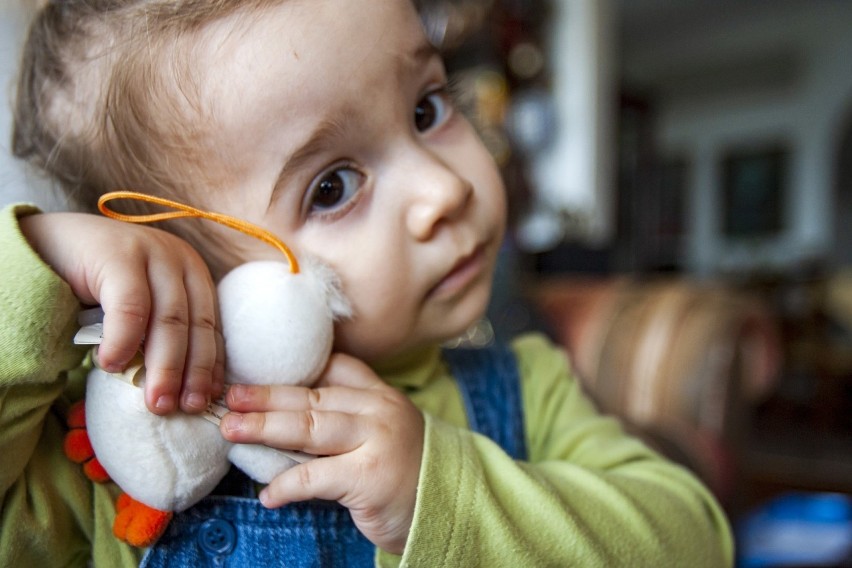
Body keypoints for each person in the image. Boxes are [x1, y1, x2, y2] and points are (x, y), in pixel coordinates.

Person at [0, 0, 734, 565]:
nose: (443, 188)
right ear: (193, 281)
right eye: (332, 187)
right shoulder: (114, 455)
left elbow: (695, 540)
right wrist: (34, 264)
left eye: (427, 108)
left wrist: (443, 497)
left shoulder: (526, 388)